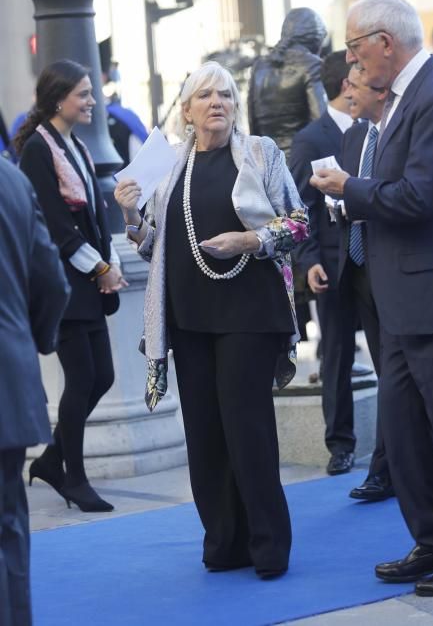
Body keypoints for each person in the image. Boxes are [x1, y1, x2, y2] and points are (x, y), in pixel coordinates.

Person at [114, 61, 309, 579]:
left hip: (249, 311)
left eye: (224, 93)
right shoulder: (169, 165)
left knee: (247, 431)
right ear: (187, 110)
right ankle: (224, 542)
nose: (217, 102)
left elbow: (299, 222)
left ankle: (269, 546)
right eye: (205, 96)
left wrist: (251, 240)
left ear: (235, 104)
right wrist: (131, 215)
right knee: (204, 434)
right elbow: (154, 243)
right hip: (189, 316)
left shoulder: (260, 153)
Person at [311, 0, 433, 596]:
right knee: (402, 437)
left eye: (353, 47)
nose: (351, 62)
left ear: (383, 41)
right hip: (403, 303)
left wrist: (351, 187)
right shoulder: (409, 97)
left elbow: (421, 197)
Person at [15, 59, 128, 513]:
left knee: (102, 375)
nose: (92, 100)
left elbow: (97, 217)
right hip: (65, 286)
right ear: (58, 98)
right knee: (81, 378)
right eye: (83, 93)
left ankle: (51, 459)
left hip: (88, 282)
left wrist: (110, 262)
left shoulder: (74, 144)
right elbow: (57, 227)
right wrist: (100, 268)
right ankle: (73, 478)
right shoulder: (38, 151)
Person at [290, 52, 391, 491]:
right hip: (331, 266)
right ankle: (341, 445)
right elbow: (300, 208)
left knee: (389, 358)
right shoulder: (313, 138)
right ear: (347, 86)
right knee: (334, 354)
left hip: (374, 264)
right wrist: (308, 259)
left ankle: (389, 454)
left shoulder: (374, 131)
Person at [0, 159, 69, 626]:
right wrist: (32, 341)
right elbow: (52, 283)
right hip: (6, 377)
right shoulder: (10, 178)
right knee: (6, 527)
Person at [331, 65, 393, 501]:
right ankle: (388, 469)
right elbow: (339, 202)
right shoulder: (352, 137)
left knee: (400, 375)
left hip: (397, 271)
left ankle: (385, 469)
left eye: (356, 81)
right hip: (356, 271)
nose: (348, 90)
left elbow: (407, 198)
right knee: (389, 372)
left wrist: (355, 191)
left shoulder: (398, 134)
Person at [247, 7, 327, 159]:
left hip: (266, 161)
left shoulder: (259, 67)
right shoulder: (312, 65)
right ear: (315, 37)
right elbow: (321, 123)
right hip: (302, 163)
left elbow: (253, 124)